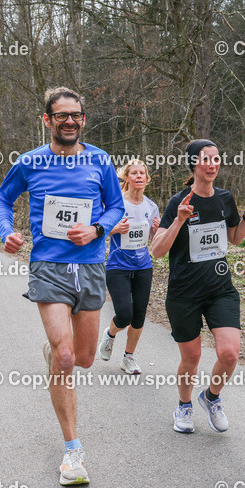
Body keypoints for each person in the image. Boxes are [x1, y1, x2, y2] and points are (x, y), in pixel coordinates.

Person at [0, 87, 123, 486]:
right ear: (47, 120)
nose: (70, 121)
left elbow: (116, 206)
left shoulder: (100, 160)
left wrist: (97, 228)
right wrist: (6, 231)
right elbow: (2, 198)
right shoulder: (30, 161)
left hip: (89, 268)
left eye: (76, 115)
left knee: (82, 358)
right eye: (61, 115)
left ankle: (54, 350)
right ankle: (72, 453)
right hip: (48, 267)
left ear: (83, 120)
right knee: (66, 359)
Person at [150, 139, 245, 434]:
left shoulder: (224, 198)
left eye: (217, 159)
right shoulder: (179, 202)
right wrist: (179, 221)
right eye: (206, 159)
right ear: (194, 164)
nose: (212, 165)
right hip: (184, 293)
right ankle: (184, 406)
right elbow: (157, 250)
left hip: (220, 289)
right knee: (191, 358)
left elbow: (235, 238)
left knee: (229, 353)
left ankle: (211, 398)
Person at [100, 159, 160, 375]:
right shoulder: (116, 204)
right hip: (117, 266)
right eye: (134, 173)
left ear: (146, 178)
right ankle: (110, 334)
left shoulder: (151, 207)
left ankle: (128, 358)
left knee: (139, 315)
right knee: (124, 314)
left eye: (142, 173)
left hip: (143, 266)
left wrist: (155, 230)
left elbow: (156, 240)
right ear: (126, 178)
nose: (138, 176)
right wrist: (114, 229)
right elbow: (98, 231)